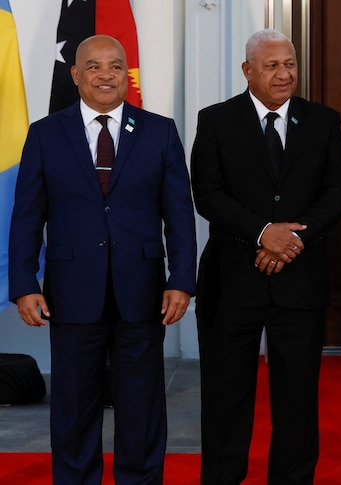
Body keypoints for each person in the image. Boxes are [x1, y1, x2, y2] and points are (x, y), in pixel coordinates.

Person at [8, 35, 197, 484]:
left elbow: (179, 215)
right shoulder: (46, 133)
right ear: (75, 75)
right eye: (94, 67)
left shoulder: (159, 130)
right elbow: (27, 216)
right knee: (73, 405)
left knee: (143, 405)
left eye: (115, 66)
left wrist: (182, 279)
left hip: (143, 292)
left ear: (127, 74)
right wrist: (24, 284)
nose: (106, 75)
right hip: (72, 292)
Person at [190, 29, 341, 484]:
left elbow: (338, 191)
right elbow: (207, 194)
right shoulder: (216, 120)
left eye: (290, 64)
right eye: (272, 65)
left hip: (299, 285)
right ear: (247, 71)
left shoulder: (323, 121)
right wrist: (264, 233)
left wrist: (290, 242)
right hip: (232, 283)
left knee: (297, 401)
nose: (284, 74)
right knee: (225, 399)